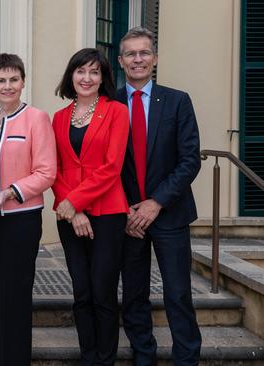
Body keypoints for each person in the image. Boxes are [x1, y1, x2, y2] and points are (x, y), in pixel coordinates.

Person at [118, 27, 202, 366]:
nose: (138, 59)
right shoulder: (108, 104)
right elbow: (105, 164)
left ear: (154, 58)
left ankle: (187, 358)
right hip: (127, 216)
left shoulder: (178, 100)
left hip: (169, 213)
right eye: (131, 54)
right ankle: (144, 355)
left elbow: (190, 159)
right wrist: (125, 209)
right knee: (134, 294)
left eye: (144, 53)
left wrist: (156, 202)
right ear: (121, 61)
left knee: (178, 293)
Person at [0, 53, 56, 365]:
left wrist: (10, 192)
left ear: (22, 82)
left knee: (15, 297)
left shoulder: (36, 118)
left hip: (20, 221)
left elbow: (47, 172)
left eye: (14, 80)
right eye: (1, 80)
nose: (8, 86)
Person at [51, 48, 130, 365]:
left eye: (94, 72)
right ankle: (89, 357)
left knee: (103, 292)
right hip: (70, 216)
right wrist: (74, 210)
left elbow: (112, 167)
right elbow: (52, 170)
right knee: (81, 292)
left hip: (108, 213)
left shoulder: (116, 112)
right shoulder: (58, 118)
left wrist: (75, 201)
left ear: (103, 78)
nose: (87, 78)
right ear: (71, 75)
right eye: (81, 71)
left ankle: (105, 359)